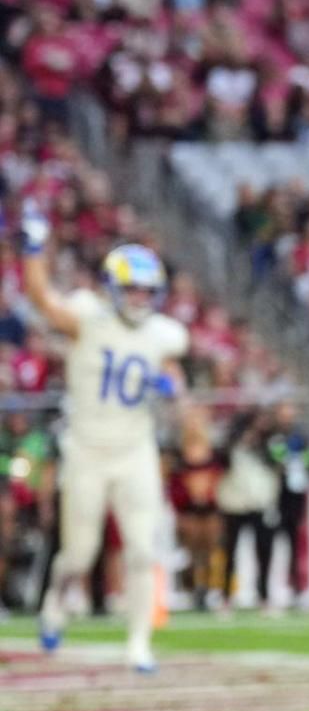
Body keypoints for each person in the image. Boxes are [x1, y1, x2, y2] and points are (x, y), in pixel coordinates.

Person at [24, 207, 189, 673]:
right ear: (113, 286)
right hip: (87, 450)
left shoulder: (162, 334)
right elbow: (42, 300)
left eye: (147, 290)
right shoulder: (89, 318)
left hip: (135, 448)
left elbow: (172, 372)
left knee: (142, 549)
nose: (139, 297)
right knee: (79, 554)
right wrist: (33, 250)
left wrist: (173, 388)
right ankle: (54, 606)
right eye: (132, 287)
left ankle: (138, 645)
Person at [215, 410, 279, 613]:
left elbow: (279, 464)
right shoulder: (233, 446)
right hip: (234, 505)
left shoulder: (270, 444)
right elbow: (220, 460)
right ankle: (226, 596)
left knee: (264, 551)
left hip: (261, 504)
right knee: (230, 551)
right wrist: (239, 441)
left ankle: (264, 595)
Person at [168, 408, 224, 612]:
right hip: (189, 512)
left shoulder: (213, 455)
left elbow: (220, 480)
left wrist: (209, 495)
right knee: (191, 552)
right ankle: (191, 587)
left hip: (209, 511)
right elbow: (174, 486)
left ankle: (207, 588)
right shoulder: (179, 457)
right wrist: (186, 499)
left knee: (209, 551)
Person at [265, 401, 309, 611]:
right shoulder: (270, 436)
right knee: (268, 545)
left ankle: (296, 589)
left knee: (293, 545)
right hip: (273, 495)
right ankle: (267, 591)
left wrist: (297, 461)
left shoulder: (301, 436)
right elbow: (269, 461)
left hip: (294, 496)